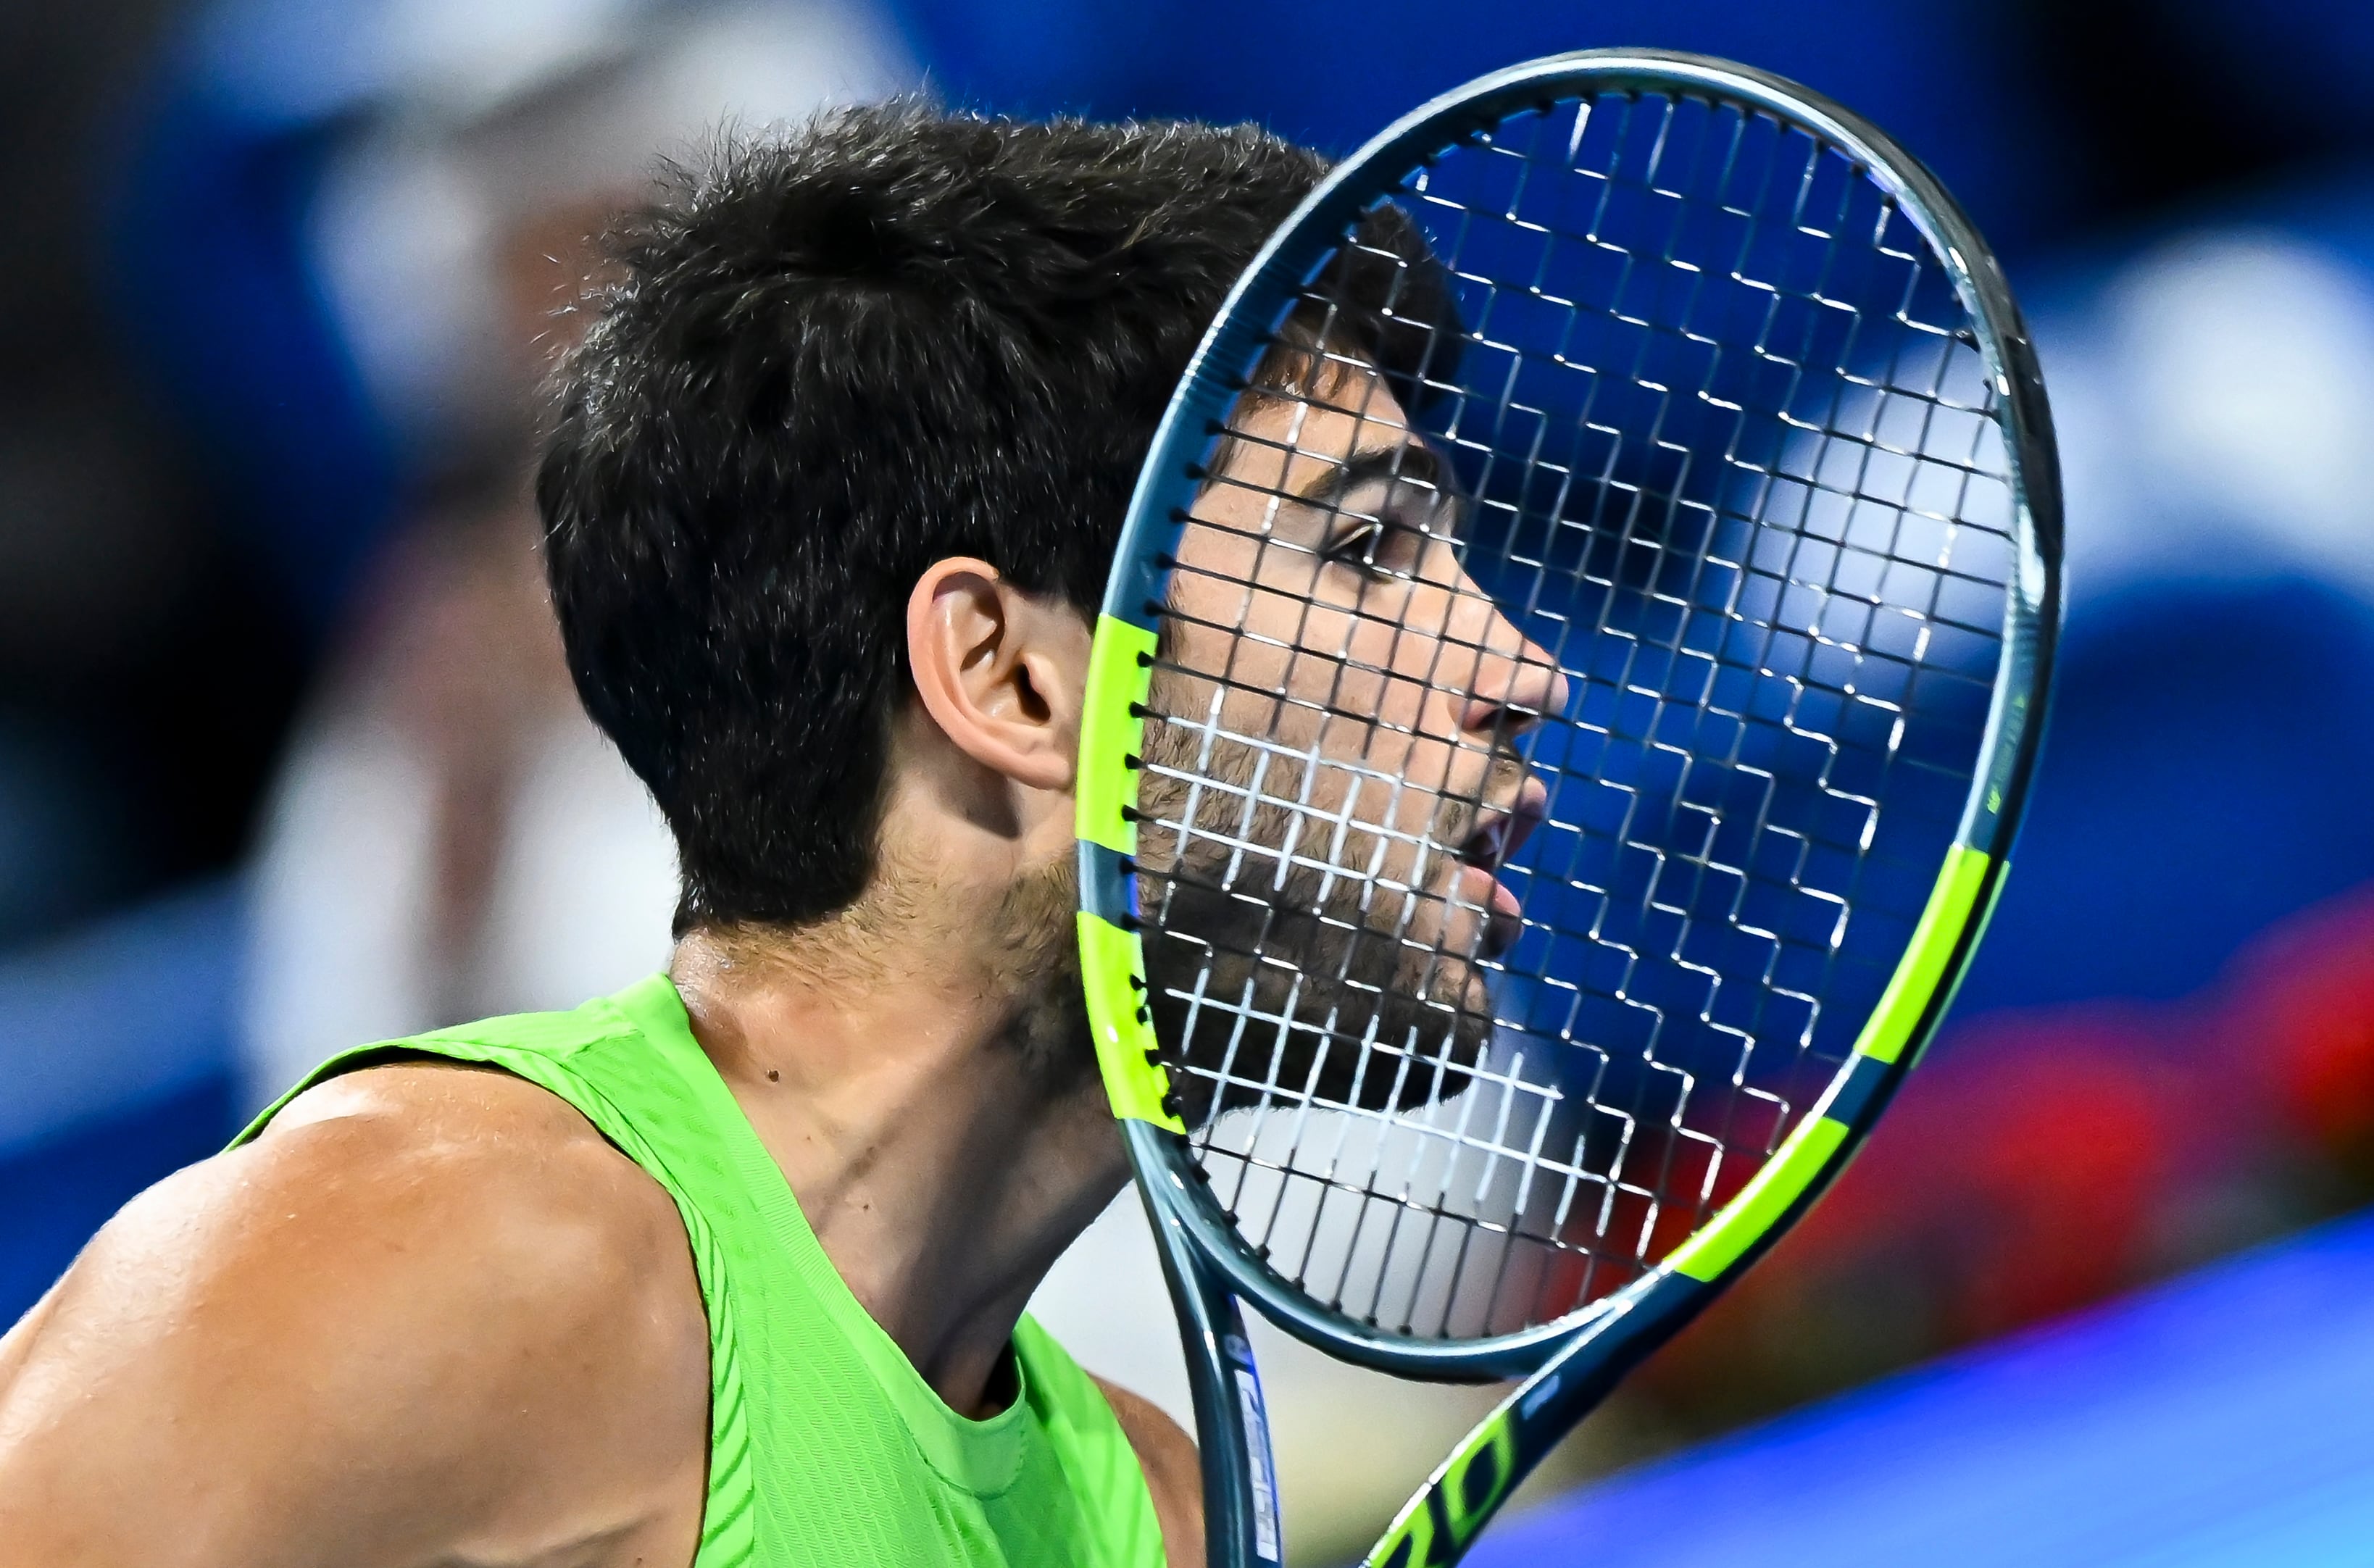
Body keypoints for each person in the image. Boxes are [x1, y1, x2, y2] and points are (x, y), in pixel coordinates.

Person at [0, 101, 1557, 1567]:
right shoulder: (458, 1259)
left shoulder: (1154, 1514)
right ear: (1011, 676)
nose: (1518, 670)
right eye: (1367, 545)